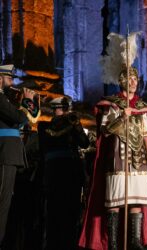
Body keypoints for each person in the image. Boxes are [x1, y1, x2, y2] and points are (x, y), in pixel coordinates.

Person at [79, 66, 147, 250]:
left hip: (139, 160)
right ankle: (113, 244)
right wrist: (122, 117)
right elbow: (105, 131)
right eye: (129, 79)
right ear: (122, 81)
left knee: (136, 202)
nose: (133, 82)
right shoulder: (111, 104)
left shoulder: (142, 107)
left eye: (136, 79)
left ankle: (135, 243)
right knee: (115, 201)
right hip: (117, 158)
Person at [37, 96, 90, 249]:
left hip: (71, 174)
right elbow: (45, 147)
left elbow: (85, 143)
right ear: (56, 110)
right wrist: (66, 123)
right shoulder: (45, 126)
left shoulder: (73, 125)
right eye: (65, 109)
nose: (68, 112)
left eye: (68, 109)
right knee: (53, 214)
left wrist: (78, 126)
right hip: (54, 174)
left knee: (71, 213)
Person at [0, 64, 40, 246]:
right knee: (2, 203)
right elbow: (19, 119)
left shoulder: (4, 99)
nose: (12, 81)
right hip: (3, 156)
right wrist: (27, 100)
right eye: (9, 78)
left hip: (7, 156)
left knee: (5, 204)